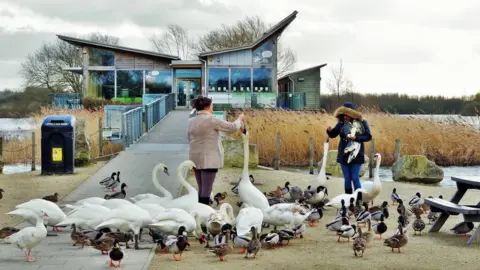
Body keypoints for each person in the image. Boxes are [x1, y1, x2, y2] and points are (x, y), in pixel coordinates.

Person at [188, 96, 244, 205]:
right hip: (209, 159)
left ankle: (200, 210)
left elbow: (189, 139)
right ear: (207, 107)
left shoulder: (191, 121)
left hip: (195, 159)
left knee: (201, 188)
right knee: (207, 190)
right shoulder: (212, 119)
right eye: (212, 105)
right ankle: (204, 211)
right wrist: (240, 119)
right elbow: (232, 127)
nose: (213, 107)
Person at [326, 102, 372, 194]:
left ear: (352, 114)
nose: (345, 116)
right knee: (347, 178)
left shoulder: (363, 123)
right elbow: (333, 134)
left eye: (347, 114)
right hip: (344, 154)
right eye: (343, 114)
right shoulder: (341, 123)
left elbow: (368, 136)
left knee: (355, 177)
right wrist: (329, 131)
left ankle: (358, 199)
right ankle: (348, 199)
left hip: (357, 154)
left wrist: (356, 138)